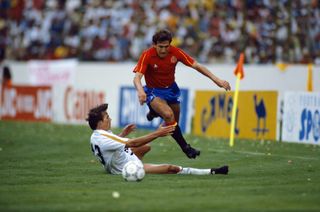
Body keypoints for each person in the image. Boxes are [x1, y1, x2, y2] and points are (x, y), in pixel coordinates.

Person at [133, 29, 231, 159]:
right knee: (168, 115)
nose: (163, 50)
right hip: (153, 91)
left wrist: (217, 79)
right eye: (160, 47)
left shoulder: (175, 52)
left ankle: (154, 112)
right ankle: (186, 148)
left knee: (173, 124)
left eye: (166, 47)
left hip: (171, 90)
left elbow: (196, 65)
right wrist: (140, 91)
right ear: (154, 45)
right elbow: (137, 78)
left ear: (170, 45)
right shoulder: (147, 55)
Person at [86, 103, 228, 175]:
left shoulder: (97, 135)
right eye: (106, 117)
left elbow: (110, 147)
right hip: (126, 168)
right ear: (99, 123)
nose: (109, 118)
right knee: (170, 168)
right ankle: (211, 171)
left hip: (117, 161)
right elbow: (133, 143)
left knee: (145, 147)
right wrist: (158, 133)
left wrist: (122, 134)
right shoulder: (102, 136)